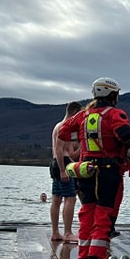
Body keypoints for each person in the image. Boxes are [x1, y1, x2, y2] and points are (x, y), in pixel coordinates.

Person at [58, 78, 130, 259]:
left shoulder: (83, 115)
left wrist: (84, 136)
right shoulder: (114, 114)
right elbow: (125, 135)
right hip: (108, 171)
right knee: (104, 219)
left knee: (87, 217)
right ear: (112, 95)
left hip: (86, 171)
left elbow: (64, 132)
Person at [50, 101, 82, 242]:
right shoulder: (64, 126)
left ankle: (56, 232)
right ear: (74, 113)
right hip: (62, 164)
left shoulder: (58, 125)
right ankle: (67, 232)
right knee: (70, 198)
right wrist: (63, 170)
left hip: (57, 163)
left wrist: (80, 148)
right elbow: (58, 149)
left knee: (56, 199)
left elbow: (70, 152)